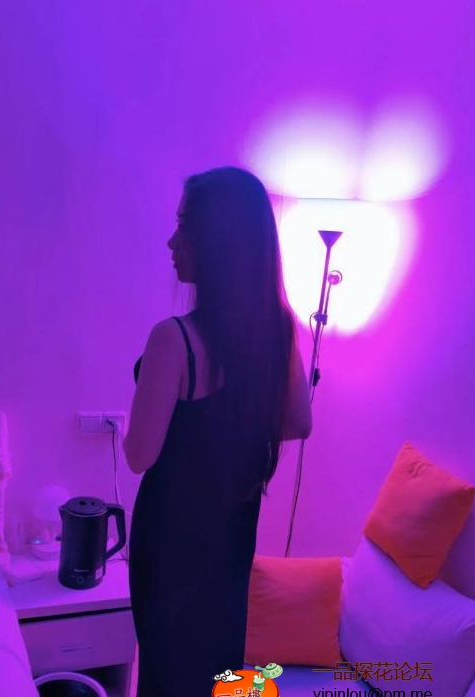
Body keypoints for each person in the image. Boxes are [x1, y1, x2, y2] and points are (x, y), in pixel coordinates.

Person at [123, 166, 312, 697]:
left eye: (184, 226)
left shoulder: (172, 339)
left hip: (169, 542)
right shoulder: (277, 329)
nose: (172, 241)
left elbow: (138, 455)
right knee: (217, 669)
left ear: (217, 241)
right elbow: (300, 421)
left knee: (165, 672)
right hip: (230, 537)